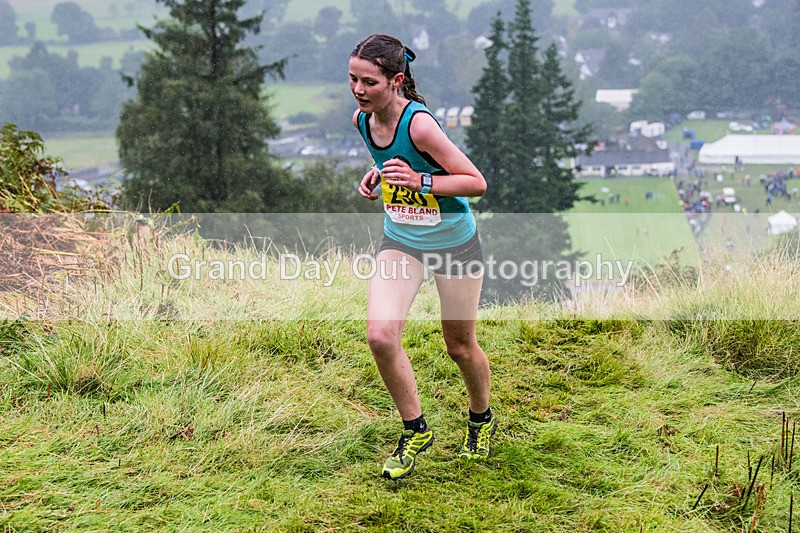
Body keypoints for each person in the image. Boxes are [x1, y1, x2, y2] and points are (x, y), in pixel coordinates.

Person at [350, 33, 495, 480]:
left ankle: (480, 418)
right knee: (380, 336)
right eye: (353, 79)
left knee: (459, 346)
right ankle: (416, 429)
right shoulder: (363, 120)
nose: (358, 90)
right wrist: (379, 174)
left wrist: (420, 182)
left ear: (395, 80)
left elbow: (475, 183)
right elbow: (394, 157)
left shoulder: (421, 124)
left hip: (453, 242)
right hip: (402, 241)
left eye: (369, 82)